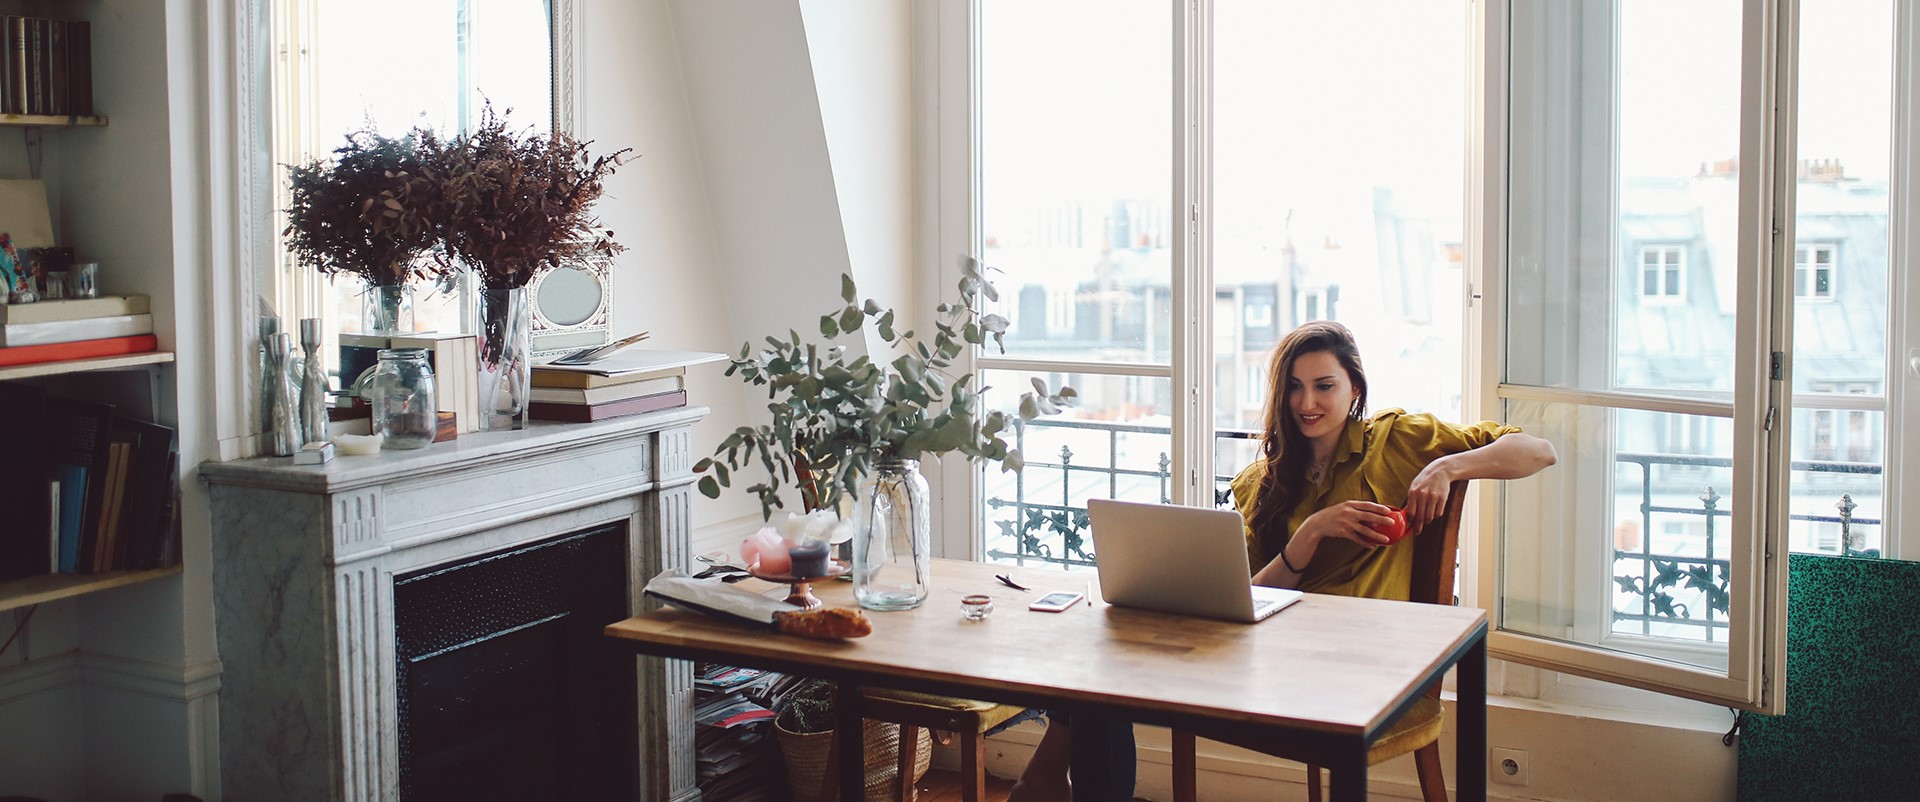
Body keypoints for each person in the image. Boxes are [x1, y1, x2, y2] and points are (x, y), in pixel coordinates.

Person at [1008, 320, 1556, 801]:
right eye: (1294, 387)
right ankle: (1053, 782)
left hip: (1368, 662)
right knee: (1111, 663)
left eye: (1324, 386)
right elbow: (1250, 594)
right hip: (1276, 656)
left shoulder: (1398, 441)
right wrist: (1311, 534)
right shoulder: (1261, 483)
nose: (1307, 402)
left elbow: (1537, 450)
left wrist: (1448, 468)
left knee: (1113, 672)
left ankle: (1043, 780)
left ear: (1355, 389)